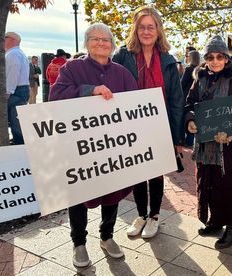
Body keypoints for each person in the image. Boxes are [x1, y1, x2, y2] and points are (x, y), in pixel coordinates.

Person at [48, 23, 138, 267]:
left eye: (106, 40)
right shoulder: (72, 68)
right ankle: (79, 243)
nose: (101, 43)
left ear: (112, 44)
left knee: (112, 191)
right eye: (95, 39)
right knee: (79, 194)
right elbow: (55, 97)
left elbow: (136, 107)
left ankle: (107, 237)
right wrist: (89, 91)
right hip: (80, 148)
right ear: (87, 43)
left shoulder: (122, 73)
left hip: (113, 146)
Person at [113, 6, 184, 239]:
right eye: (142, 27)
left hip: (159, 125)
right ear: (136, 29)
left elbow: (176, 100)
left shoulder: (167, 60)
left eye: (150, 27)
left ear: (158, 30)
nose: (146, 31)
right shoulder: (122, 56)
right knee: (136, 172)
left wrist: (177, 137)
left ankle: (154, 216)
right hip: (130, 125)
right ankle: (141, 214)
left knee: (155, 173)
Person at [184, 35, 232, 249]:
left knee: (227, 183)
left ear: (227, 57)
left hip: (227, 146)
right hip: (204, 144)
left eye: (219, 56)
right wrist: (191, 119)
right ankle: (214, 220)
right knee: (208, 181)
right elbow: (190, 103)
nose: (214, 61)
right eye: (210, 57)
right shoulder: (200, 77)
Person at [4, 32, 30, 145]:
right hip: (20, 89)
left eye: (5, 38)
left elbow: (13, 73)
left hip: (16, 90)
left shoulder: (13, 54)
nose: (3, 40)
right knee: (16, 119)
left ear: (12, 40)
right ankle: (18, 140)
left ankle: (19, 142)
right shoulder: (17, 53)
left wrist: (8, 90)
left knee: (15, 120)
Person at [181, 50, 200, 147]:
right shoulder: (199, 69)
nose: (186, 57)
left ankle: (186, 141)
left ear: (191, 57)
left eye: (187, 55)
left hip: (186, 98)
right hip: (196, 98)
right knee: (193, 119)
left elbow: (181, 84)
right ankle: (190, 141)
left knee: (186, 118)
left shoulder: (189, 69)